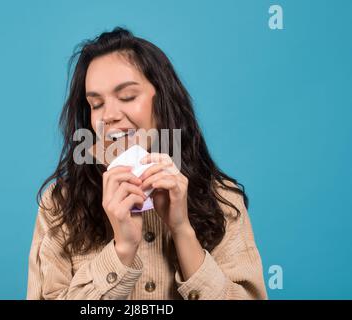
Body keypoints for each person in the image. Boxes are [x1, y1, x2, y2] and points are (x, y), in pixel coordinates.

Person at [27, 27, 267, 300]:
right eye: (96, 104)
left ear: (163, 101)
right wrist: (122, 249)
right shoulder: (59, 204)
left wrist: (182, 230)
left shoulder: (223, 199)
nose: (109, 116)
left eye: (127, 97)